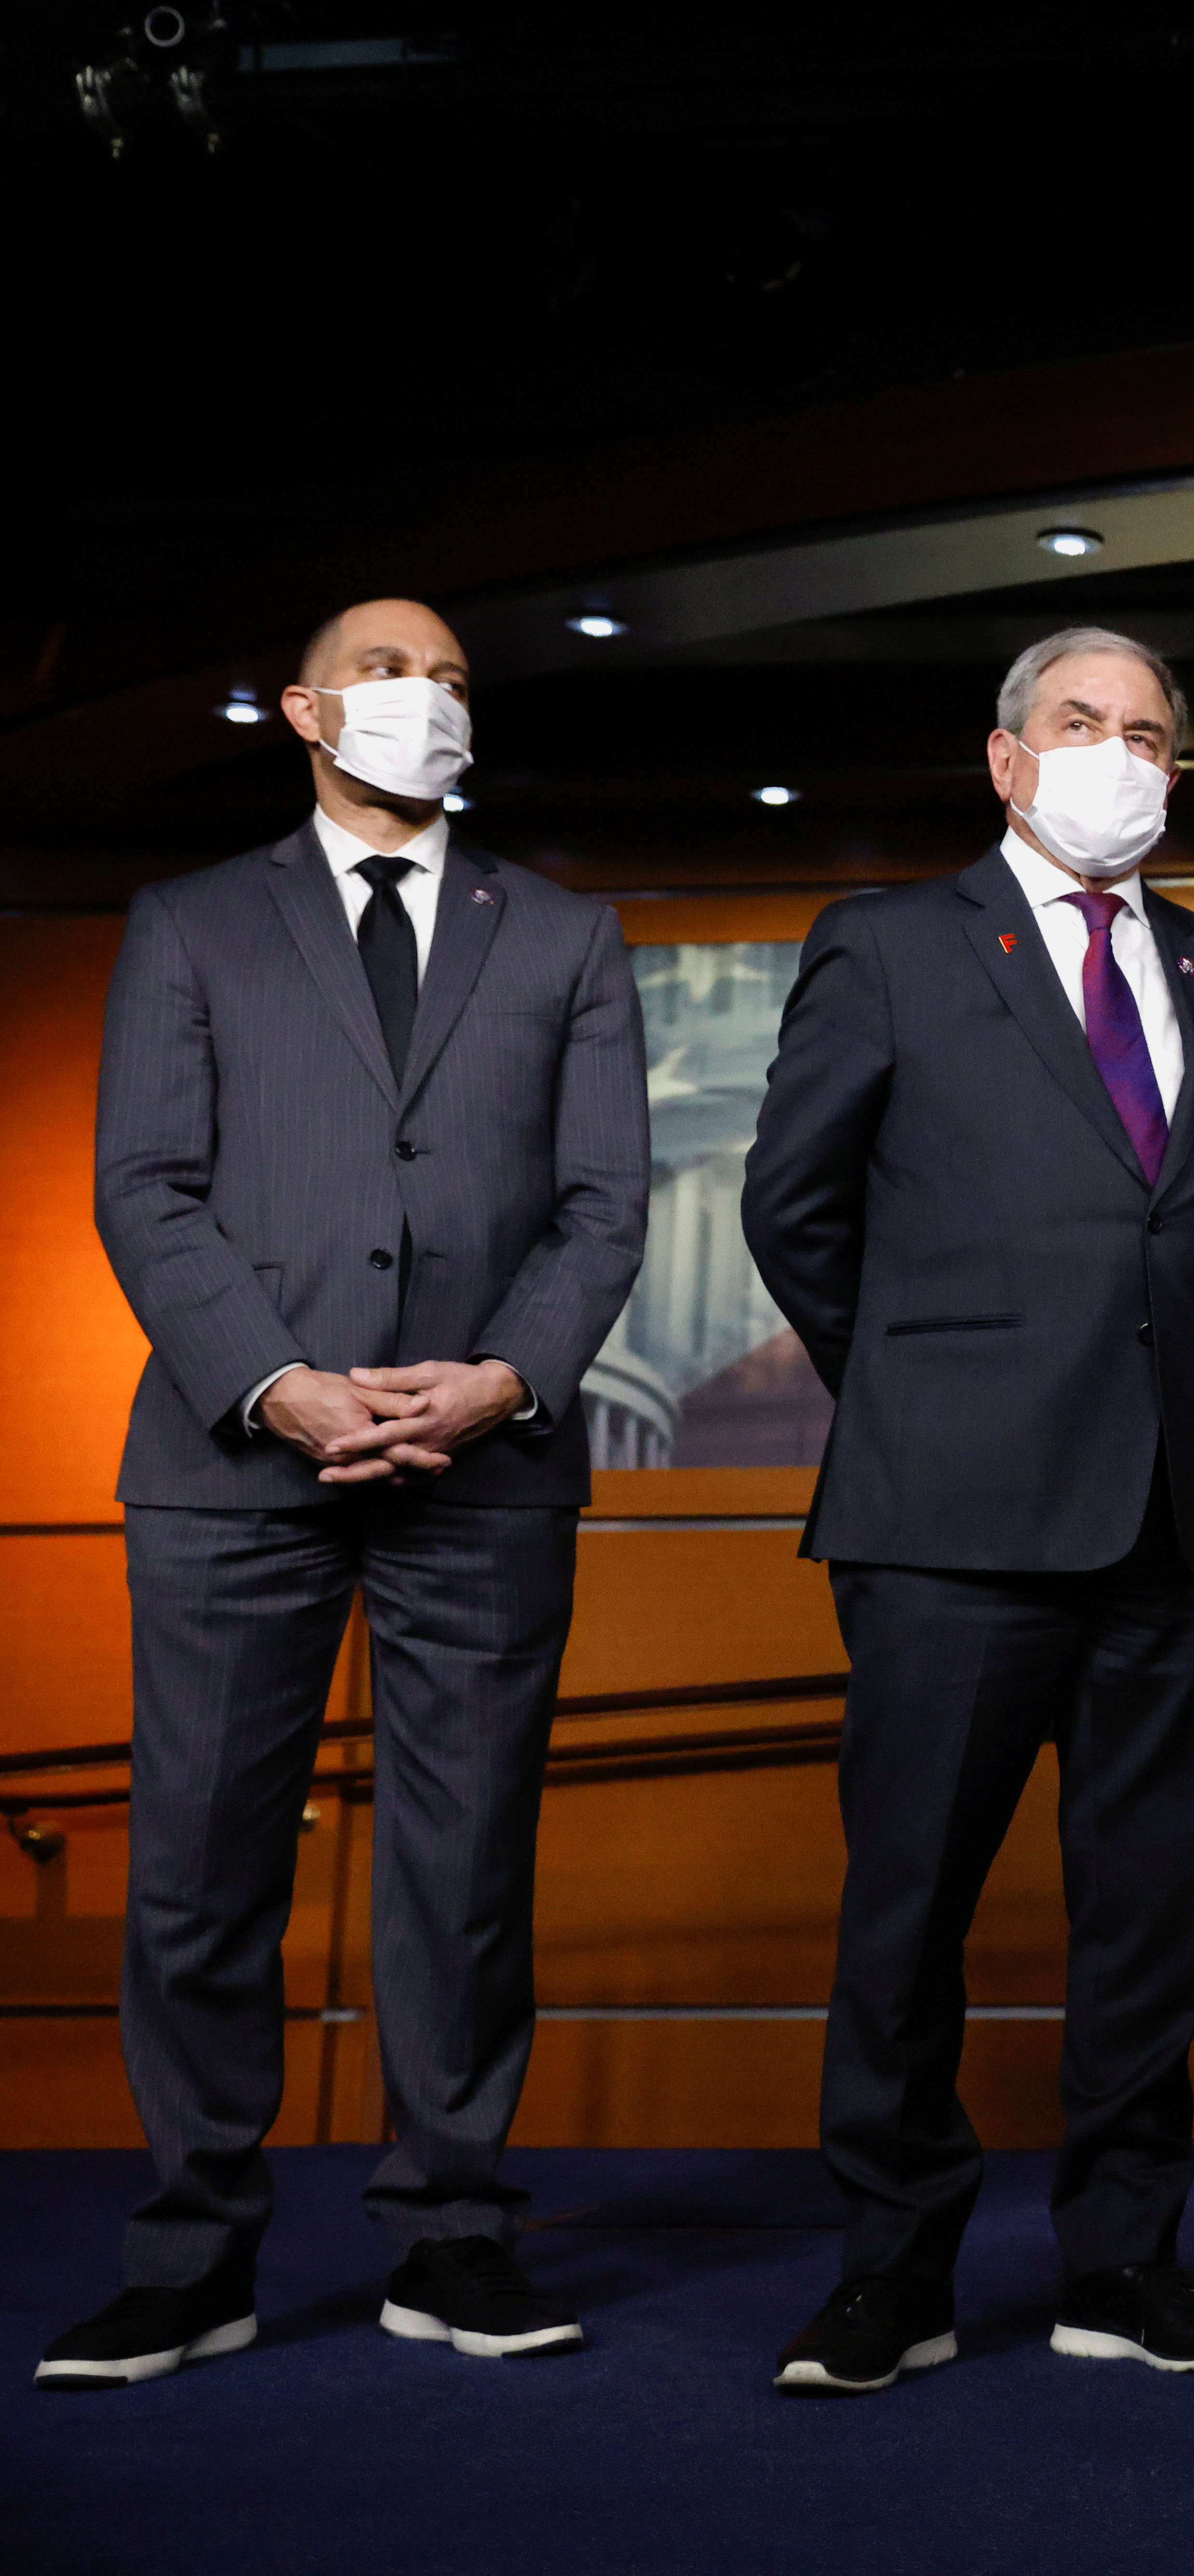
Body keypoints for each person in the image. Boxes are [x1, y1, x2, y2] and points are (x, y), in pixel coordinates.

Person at [47, 598, 648, 2390]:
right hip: (238, 1457)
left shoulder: (562, 930)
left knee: (463, 1877)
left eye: (454, 678)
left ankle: (452, 2236)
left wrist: (503, 1375)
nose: (428, 699)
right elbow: (145, 1187)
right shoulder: (192, 922)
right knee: (202, 1871)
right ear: (307, 709)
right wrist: (279, 1380)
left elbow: (608, 1202)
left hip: (482, 1458)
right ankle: (191, 2253)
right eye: (393, 673)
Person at [739, 627, 1194, 2393]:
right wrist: (919, 1376)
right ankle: (894, 2268)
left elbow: (1175, 1237)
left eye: (1146, 731)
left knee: (1152, 1915)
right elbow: (795, 1206)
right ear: (1004, 756)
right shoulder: (890, 944)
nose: (1115, 752)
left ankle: (1122, 2259)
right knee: (910, 1908)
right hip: (948, 1513)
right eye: (1079, 722)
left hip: (1170, 1509)